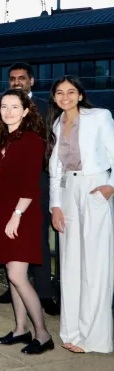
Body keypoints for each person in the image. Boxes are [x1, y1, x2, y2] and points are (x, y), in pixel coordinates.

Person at [47, 76, 114, 354]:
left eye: (70, 91)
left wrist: (110, 186)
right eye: (60, 92)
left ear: (80, 94)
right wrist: (55, 205)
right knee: (70, 265)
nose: (65, 97)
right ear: (54, 97)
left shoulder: (99, 116)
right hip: (68, 193)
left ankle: (94, 338)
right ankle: (72, 332)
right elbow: (56, 170)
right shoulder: (56, 124)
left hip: (94, 188)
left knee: (96, 266)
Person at [0, 62, 60, 316]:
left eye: (22, 77)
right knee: (15, 266)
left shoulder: (45, 109)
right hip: (9, 196)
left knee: (37, 244)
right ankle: (18, 305)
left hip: (33, 190)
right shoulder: (3, 128)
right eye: (12, 78)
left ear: (31, 80)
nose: (17, 81)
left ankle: (44, 294)